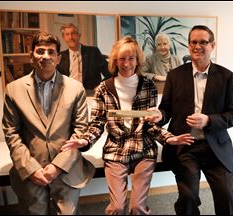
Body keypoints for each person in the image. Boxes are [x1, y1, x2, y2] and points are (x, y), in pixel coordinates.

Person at [61, 36, 194, 215]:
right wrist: (85, 140)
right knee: (117, 208)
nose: (126, 63)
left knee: (137, 207)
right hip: (116, 150)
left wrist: (170, 138)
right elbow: (97, 123)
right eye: (122, 59)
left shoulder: (148, 86)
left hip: (143, 149)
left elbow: (151, 125)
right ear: (115, 61)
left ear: (137, 60)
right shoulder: (103, 88)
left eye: (131, 58)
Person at [145, 25, 233, 215]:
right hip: (185, 147)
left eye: (203, 42)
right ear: (188, 46)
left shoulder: (226, 76)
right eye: (194, 42)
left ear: (212, 45)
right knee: (188, 198)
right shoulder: (175, 75)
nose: (198, 46)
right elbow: (166, 110)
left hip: (216, 148)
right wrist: (159, 116)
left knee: (226, 195)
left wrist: (208, 120)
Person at [2, 31, 95, 215]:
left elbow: (81, 130)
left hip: (66, 169)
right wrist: (31, 169)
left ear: (58, 58)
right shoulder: (13, 90)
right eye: (40, 51)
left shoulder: (75, 89)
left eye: (51, 52)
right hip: (31, 171)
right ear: (31, 56)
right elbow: (11, 133)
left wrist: (57, 166)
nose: (46, 56)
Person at [57, 23, 111, 92]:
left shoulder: (93, 52)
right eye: (67, 34)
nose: (70, 37)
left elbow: (109, 73)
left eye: (73, 33)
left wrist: (100, 86)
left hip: (91, 95)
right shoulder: (60, 57)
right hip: (68, 94)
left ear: (79, 35)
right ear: (63, 38)